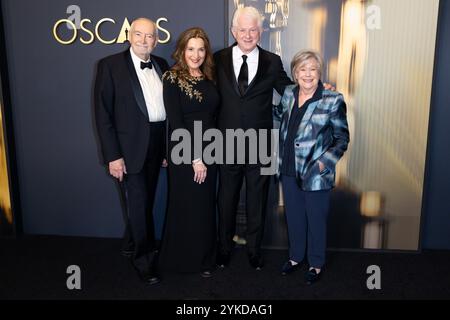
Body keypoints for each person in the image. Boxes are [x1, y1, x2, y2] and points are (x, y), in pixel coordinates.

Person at [214, 6, 292, 270]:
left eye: (253, 30)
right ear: (234, 31)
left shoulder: (273, 60)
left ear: (261, 31)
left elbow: (290, 91)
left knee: (258, 201)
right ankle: (223, 250)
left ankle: (254, 252)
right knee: (226, 200)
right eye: (243, 30)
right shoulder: (218, 58)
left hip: (262, 144)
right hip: (225, 143)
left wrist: (317, 88)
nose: (248, 35)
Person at [94, 18, 169, 285]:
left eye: (150, 36)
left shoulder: (161, 65)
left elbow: (168, 110)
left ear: (156, 39)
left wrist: (166, 148)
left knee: (144, 202)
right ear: (129, 35)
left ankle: (130, 243)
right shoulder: (110, 65)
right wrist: (113, 155)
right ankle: (144, 261)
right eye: (139, 34)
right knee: (138, 205)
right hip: (128, 150)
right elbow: (103, 114)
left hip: (157, 144)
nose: (144, 40)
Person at [274, 50, 349, 284]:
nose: (308, 74)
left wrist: (321, 164)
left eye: (313, 69)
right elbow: (279, 115)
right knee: (294, 217)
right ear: (295, 73)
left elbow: (342, 139)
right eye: (302, 69)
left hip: (315, 174)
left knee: (315, 220)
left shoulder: (332, 99)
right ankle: (296, 257)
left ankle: (316, 263)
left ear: (319, 73)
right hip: (287, 168)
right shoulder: (288, 93)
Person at [158, 27, 219, 277]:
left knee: (204, 205)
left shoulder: (208, 77)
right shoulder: (172, 78)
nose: (196, 54)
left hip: (211, 149)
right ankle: (182, 259)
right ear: (182, 50)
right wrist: (195, 158)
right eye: (191, 49)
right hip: (185, 150)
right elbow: (176, 122)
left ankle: (205, 258)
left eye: (201, 49)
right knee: (186, 204)